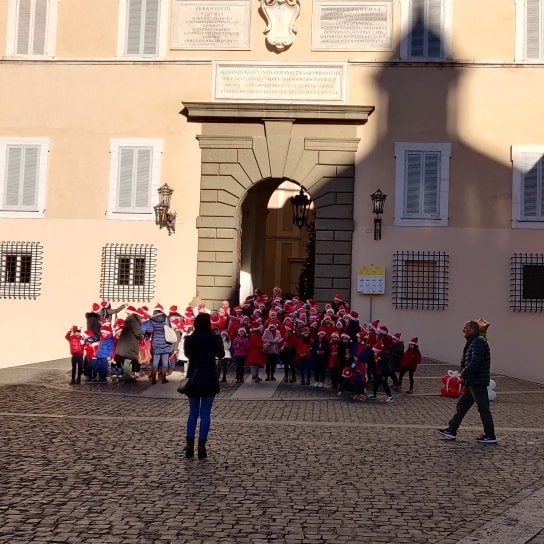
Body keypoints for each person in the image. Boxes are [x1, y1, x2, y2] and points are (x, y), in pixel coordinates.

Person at [439, 320, 497, 444]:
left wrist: (462, 376)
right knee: (461, 406)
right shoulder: (473, 342)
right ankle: (452, 430)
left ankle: (490, 435)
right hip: (471, 381)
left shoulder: (478, 342)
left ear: (472, 329)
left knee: (483, 408)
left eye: (465, 328)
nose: (463, 330)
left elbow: (474, 362)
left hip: (477, 381)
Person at [182, 312, 225, 459]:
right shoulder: (213, 339)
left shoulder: (190, 339)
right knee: (205, 413)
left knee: (193, 412)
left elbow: (188, 355)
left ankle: (189, 446)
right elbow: (221, 354)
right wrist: (216, 337)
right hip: (208, 378)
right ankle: (201, 447)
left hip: (193, 378)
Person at [115, 306, 145, 384]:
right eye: (141, 317)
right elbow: (138, 333)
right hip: (129, 345)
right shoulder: (134, 323)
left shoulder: (130, 321)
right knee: (128, 361)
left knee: (128, 360)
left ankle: (128, 376)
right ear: (139, 316)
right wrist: (143, 333)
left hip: (126, 344)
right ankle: (127, 377)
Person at [148, 303, 174, 384]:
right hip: (165, 341)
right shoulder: (166, 318)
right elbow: (170, 327)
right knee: (165, 360)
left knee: (155, 360)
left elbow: (149, 330)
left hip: (156, 341)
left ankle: (153, 378)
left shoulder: (151, 320)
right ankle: (163, 378)